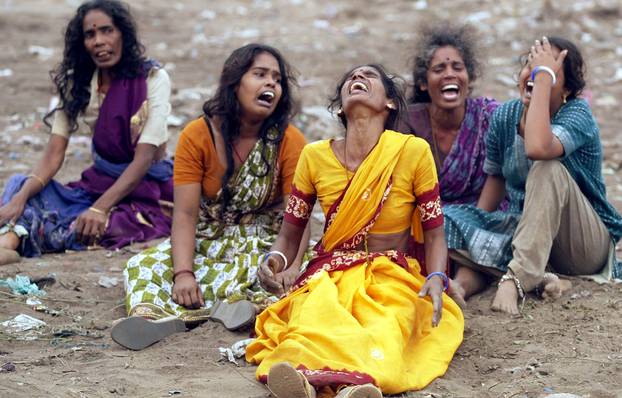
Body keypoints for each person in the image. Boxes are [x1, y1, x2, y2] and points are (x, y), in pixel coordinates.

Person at [246, 64, 464, 397]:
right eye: (350, 78)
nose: (356, 79)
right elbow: (291, 234)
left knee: (385, 328)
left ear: (390, 102)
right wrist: (275, 260)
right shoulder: (313, 157)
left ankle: (354, 387)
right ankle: (309, 385)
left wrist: (437, 277)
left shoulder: (411, 152)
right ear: (338, 106)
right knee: (312, 323)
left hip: (393, 276)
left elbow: (435, 233)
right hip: (329, 274)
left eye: (368, 76)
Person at [112, 43, 308, 351]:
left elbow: (297, 215)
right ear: (233, 82)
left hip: (265, 242)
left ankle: (241, 310)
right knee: (142, 265)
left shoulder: (290, 140)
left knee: (299, 280)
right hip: (208, 240)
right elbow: (186, 215)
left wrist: (292, 266)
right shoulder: (197, 135)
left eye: (277, 79)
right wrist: (184, 273)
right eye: (260, 74)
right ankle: (160, 319)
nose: (272, 83)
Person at [444, 36, 622, 314]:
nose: (534, 73)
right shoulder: (504, 117)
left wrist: (541, 80)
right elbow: (496, 181)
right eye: (530, 64)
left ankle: (516, 280)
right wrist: (477, 229)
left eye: (547, 70)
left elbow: (539, 147)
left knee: (547, 167)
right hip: (526, 234)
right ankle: (465, 287)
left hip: (582, 245)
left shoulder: (576, 114)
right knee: (442, 218)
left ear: (567, 88)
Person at [0, 0, 173, 264]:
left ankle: (18, 239)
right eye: (90, 35)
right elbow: (54, 154)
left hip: (144, 188)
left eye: (107, 31)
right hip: (98, 183)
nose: (99, 41)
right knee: (20, 187)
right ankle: (8, 243)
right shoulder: (79, 82)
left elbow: (143, 159)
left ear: (123, 35)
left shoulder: (152, 79)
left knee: (99, 226)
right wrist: (22, 198)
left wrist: (99, 208)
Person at [399, 23, 499, 207]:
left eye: (457, 68)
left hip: (485, 217)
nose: (449, 74)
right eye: (439, 69)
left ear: (469, 78)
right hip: (427, 222)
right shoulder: (408, 122)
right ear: (423, 83)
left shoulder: (489, 117)